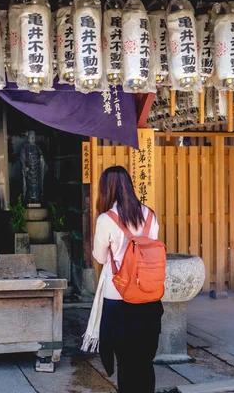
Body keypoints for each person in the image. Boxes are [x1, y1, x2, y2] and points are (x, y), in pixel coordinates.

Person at [81, 165, 163, 393]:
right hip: (149, 296)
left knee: (126, 363)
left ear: (106, 189)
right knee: (145, 362)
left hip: (119, 298)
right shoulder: (149, 214)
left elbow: (98, 256)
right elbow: (151, 247)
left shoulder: (107, 219)